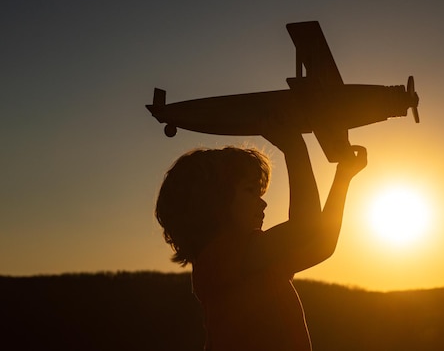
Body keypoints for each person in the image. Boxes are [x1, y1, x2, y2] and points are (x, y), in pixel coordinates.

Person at [154, 132, 367, 351]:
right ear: (214, 202)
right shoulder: (219, 258)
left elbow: (320, 244)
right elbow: (304, 228)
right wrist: (294, 146)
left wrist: (343, 176)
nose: (263, 203)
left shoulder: (251, 259)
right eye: (250, 191)